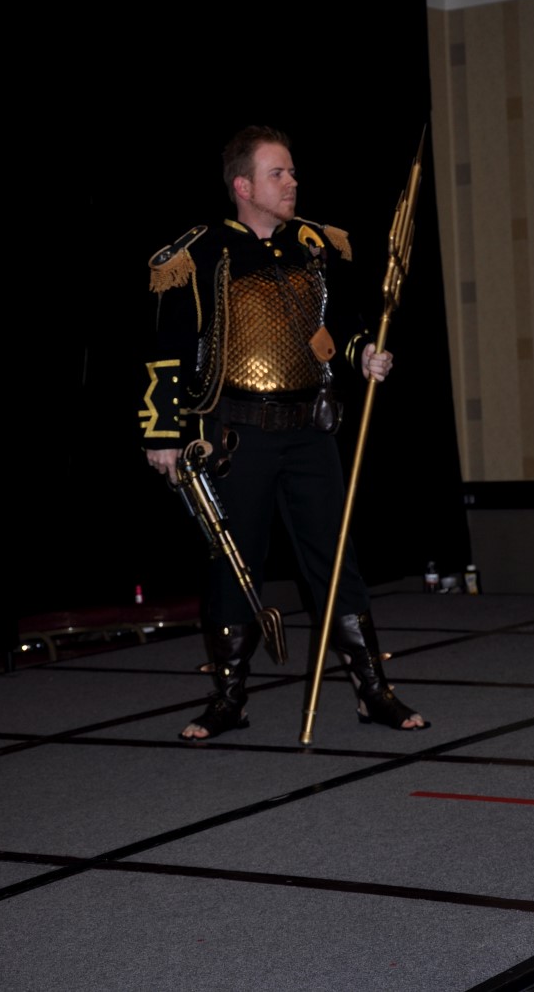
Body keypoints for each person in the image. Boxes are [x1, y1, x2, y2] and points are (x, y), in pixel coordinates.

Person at [140, 125, 428, 739]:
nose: (293, 182)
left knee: (336, 558)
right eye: (278, 173)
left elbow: (337, 325)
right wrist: (163, 432)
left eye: (292, 171)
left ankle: (371, 690)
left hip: (310, 432)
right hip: (235, 436)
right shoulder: (203, 252)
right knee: (234, 563)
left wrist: (362, 354)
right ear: (243, 186)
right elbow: (169, 349)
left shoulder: (313, 245)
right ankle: (229, 699)